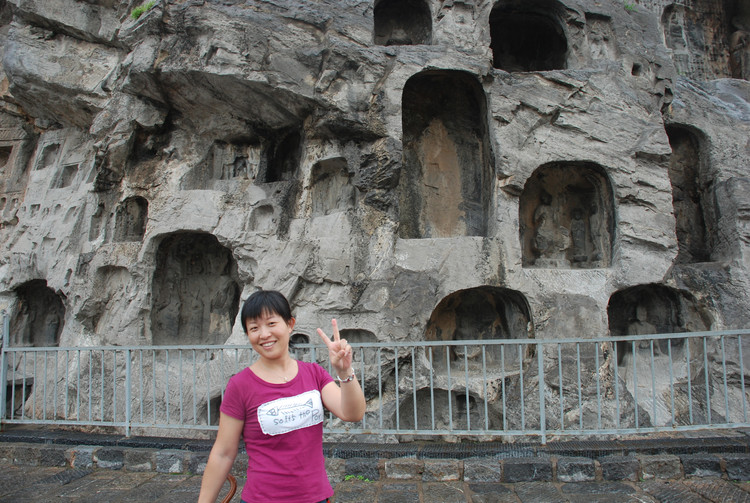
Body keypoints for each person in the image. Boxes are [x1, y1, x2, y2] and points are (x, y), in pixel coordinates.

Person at [198, 290, 366, 503]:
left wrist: (344, 372)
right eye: (254, 328)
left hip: (315, 498)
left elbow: (353, 413)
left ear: (290, 324)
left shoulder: (314, 374)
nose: (264, 334)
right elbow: (223, 453)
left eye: (271, 323)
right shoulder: (240, 386)